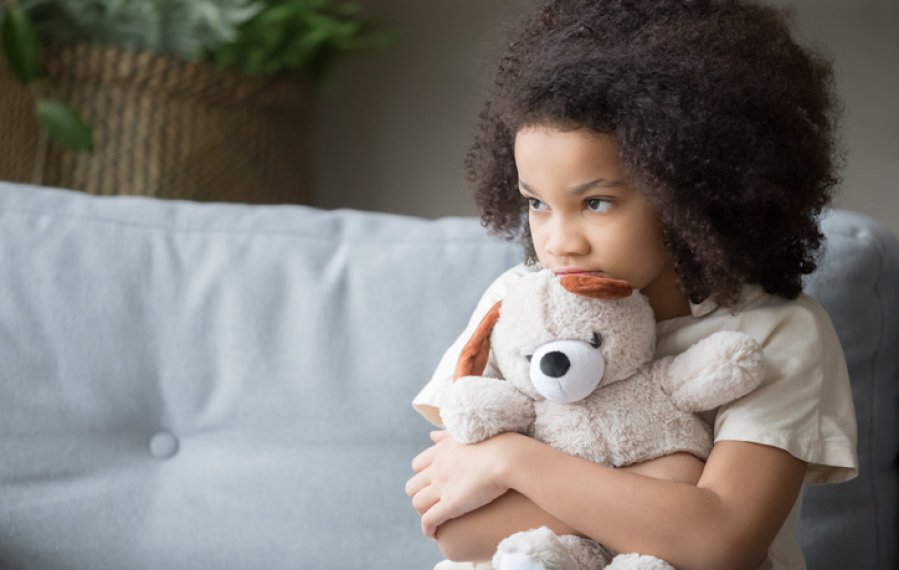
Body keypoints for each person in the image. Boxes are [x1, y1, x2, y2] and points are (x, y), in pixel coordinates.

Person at [404, 1, 858, 569]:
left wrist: (512, 462)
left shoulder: (776, 334)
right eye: (537, 204)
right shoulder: (517, 302)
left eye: (596, 202)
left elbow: (720, 542)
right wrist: (672, 484)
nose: (560, 242)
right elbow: (458, 532)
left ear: (692, 192)